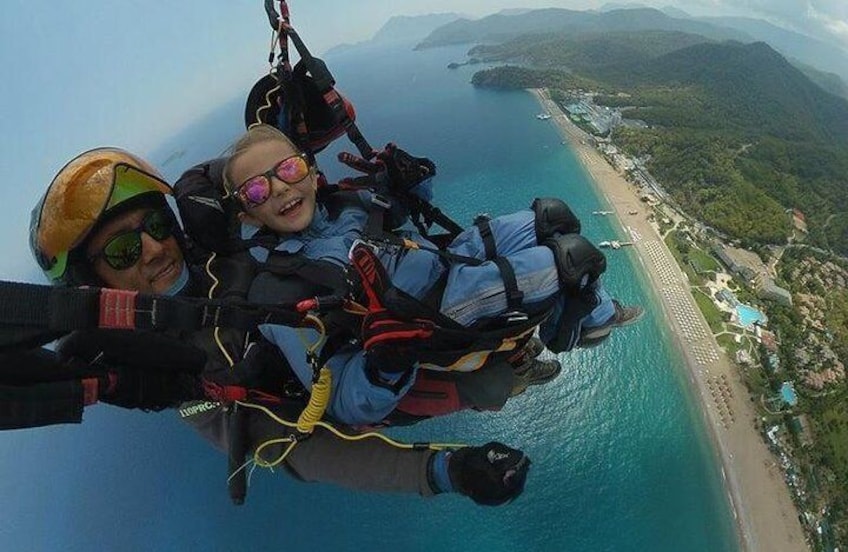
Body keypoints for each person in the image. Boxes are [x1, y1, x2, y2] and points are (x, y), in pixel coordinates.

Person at [28, 147, 530, 506]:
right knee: (490, 378)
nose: (156, 249)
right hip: (366, 373)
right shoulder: (183, 373)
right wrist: (445, 471)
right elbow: (301, 453)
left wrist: (299, 113)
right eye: (123, 250)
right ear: (95, 281)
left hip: (383, 291)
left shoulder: (214, 240)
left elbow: (255, 166)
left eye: (156, 227)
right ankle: (515, 370)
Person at [223, 125, 644, 426]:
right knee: (571, 260)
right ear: (248, 215)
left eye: (289, 171)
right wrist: (385, 365)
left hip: (445, 262)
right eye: (257, 191)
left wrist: (412, 179)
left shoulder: (346, 204)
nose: (278, 188)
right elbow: (343, 402)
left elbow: (402, 215)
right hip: (426, 317)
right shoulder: (275, 293)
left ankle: (586, 319)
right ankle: (571, 330)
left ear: (312, 174)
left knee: (552, 216)